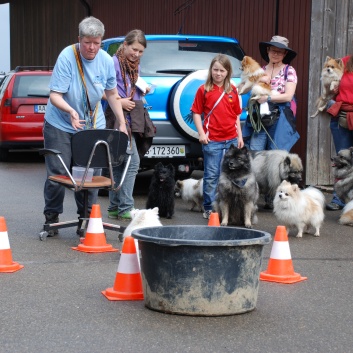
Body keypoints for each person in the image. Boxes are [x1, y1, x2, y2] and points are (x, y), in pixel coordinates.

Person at [43, 16, 127, 236]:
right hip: (60, 123)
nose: (91, 47)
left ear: (101, 41)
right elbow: (55, 95)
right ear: (79, 39)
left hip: (91, 123)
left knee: (90, 175)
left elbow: (111, 93)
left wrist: (121, 122)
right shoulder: (67, 56)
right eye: (87, 42)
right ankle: (51, 218)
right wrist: (70, 111)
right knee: (60, 172)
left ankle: (88, 219)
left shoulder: (107, 61)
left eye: (96, 43)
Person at [191, 54, 243, 219]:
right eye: (215, 70)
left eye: (222, 70)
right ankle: (210, 207)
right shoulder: (204, 89)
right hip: (212, 139)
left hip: (231, 139)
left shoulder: (232, 90)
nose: (218, 73)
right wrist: (201, 133)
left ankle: (229, 207)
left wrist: (239, 137)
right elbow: (196, 113)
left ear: (227, 72)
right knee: (212, 175)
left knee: (231, 175)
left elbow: (236, 115)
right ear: (211, 70)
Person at [105, 29, 148, 220]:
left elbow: (131, 87)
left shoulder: (134, 65)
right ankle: (125, 208)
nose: (136, 54)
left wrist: (142, 91)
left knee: (119, 162)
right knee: (132, 162)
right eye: (134, 49)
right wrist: (120, 101)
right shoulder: (113, 63)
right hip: (117, 117)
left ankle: (114, 207)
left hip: (132, 116)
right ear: (125, 44)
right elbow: (100, 89)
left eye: (140, 51)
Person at [242, 35, 299, 151]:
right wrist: (256, 79)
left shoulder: (289, 70)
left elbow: (288, 96)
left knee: (276, 155)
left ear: (285, 54)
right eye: (273, 50)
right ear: (268, 50)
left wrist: (267, 98)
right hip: (260, 118)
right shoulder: (260, 71)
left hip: (280, 118)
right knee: (255, 152)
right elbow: (243, 90)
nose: (276, 54)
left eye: (280, 52)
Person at [325, 54, 353, 210]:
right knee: (341, 158)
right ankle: (339, 198)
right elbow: (327, 81)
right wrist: (332, 87)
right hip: (342, 115)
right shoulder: (343, 62)